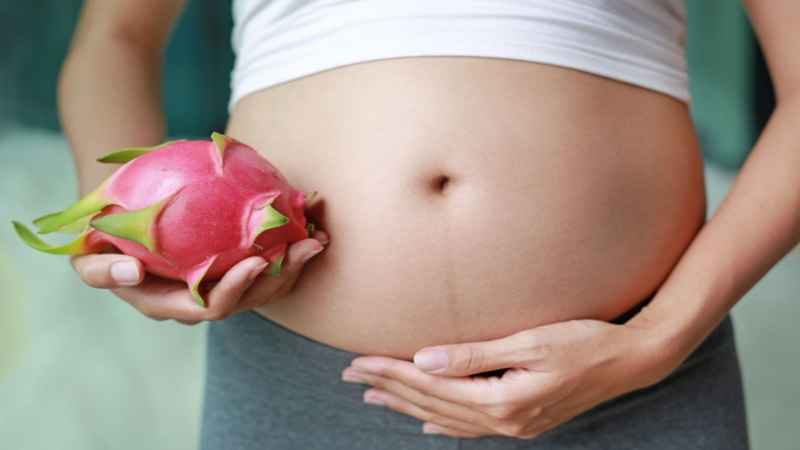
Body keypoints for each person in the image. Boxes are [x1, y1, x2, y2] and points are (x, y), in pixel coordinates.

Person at [61, 1, 799, 449]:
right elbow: (115, 42)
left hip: (634, 379)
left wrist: (655, 340)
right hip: (298, 378)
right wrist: (125, 223)